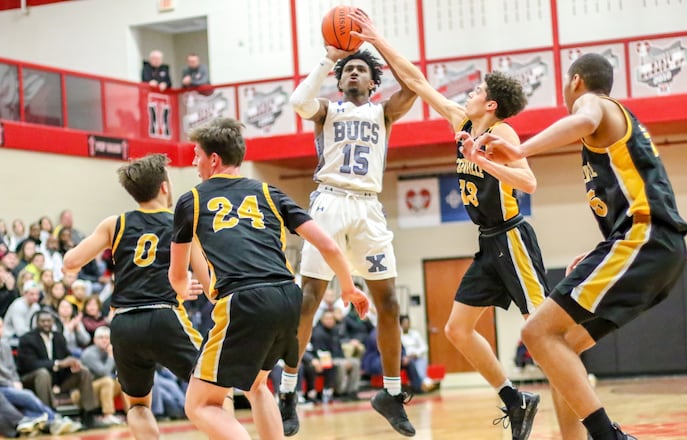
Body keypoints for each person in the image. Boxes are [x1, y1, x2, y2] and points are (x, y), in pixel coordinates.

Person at [465, 53, 687, 440]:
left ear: (576, 82)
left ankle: (608, 436)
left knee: (536, 332)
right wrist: (599, 251)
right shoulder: (614, 135)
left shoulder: (596, 104)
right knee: (563, 344)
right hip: (650, 248)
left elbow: (584, 119)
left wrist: (520, 151)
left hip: (646, 238)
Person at [351, 11, 547, 440]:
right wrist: (378, 40)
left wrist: (482, 162)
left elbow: (529, 181)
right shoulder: (461, 120)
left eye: (478, 90)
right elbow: (417, 82)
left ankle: (582, 410)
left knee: (544, 332)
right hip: (488, 242)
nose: (471, 92)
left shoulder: (504, 134)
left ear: (491, 104)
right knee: (458, 329)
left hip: (513, 237)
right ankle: (515, 400)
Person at [168, 117, 369, 440]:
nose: (194, 162)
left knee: (200, 405)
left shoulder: (191, 200)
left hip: (246, 300)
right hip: (289, 297)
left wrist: (181, 287)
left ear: (214, 159)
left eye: (197, 155)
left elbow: (178, 274)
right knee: (258, 385)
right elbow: (328, 243)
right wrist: (347, 287)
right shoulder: (268, 191)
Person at [281, 27, 418, 437]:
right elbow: (297, 101)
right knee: (308, 299)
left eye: (361, 70)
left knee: (390, 302)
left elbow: (413, 84)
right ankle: (288, 390)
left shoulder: (384, 112)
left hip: (369, 207)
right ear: (339, 80)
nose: (353, 74)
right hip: (329, 201)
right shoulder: (326, 110)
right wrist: (329, 58)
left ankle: (390, 394)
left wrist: (377, 46)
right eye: (348, 70)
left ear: (374, 82)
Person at [62, 153, 207, 440]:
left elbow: (70, 262)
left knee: (138, 405)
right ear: (165, 187)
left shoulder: (115, 224)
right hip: (164, 315)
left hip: (124, 323)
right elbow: (211, 282)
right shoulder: (182, 222)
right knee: (216, 387)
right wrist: (184, 284)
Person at [0, 315, 81, 435]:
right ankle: (55, 419)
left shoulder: (5, 344)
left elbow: (12, 369)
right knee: (28, 396)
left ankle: (48, 423)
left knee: (24, 404)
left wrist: (16, 381)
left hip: (9, 384)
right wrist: (10, 384)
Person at [16, 310, 99, 429]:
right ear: (37, 323)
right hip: (32, 379)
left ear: (53, 322)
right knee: (43, 373)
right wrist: (58, 363)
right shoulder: (27, 339)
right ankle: (48, 416)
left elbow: (67, 356)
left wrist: (73, 363)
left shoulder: (59, 337)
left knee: (83, 372)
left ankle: (89, 416)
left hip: (57, 379)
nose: (46, 323)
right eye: (42, 321)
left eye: (48, 321)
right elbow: (29, 364)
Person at [80, 326, 124, 426]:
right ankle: (108, 415)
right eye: (101, 338)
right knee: (107, 381)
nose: (104, 340)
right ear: (94, 340)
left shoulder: (111, 351)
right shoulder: (89, 354)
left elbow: (120, 370)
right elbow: (103, 372)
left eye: (107, 338)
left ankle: (130, 413)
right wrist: (111, 356)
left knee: (124, 381)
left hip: (100, 390)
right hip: (84, 393)